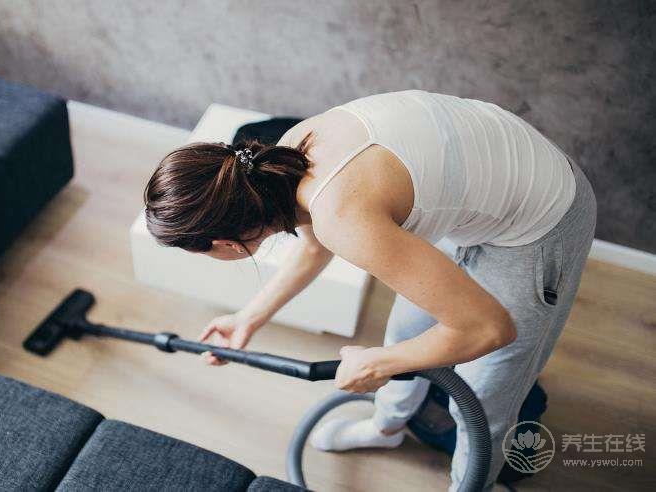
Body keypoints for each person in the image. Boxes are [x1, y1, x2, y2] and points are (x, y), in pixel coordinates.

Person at [143, 90, 596, 490]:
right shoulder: (279, 161)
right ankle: (387, 429)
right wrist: (249, 318)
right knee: (407, 334)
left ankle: (471, 482)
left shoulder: (344, 218)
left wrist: (378, 364)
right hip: (485, 198)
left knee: (483, 398)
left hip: (542, 222)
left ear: (223, 243)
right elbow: (313, 247)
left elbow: (490, 329)